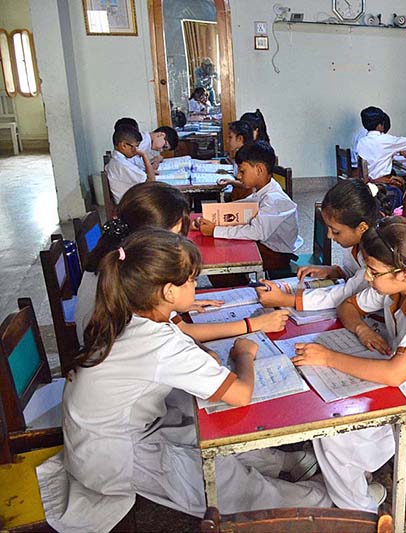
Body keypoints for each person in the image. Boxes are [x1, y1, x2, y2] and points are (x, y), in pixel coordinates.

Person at [36, 229, 330, 533]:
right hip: (111, 458)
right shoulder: (158, 342)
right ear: (168, 292)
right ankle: (325, 503)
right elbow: (241, 393)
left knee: (196, 419)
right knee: (224, 482)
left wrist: (208, 360)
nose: (195, 285)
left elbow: (188, 355)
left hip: (106, 434)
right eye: (191, 280)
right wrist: (243, 352)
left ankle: (278, 464)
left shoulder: (134, 312)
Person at [292, 217, 406, 512]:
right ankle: (353, 484)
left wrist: (329, 356)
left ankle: (361, 512)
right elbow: (347, 306)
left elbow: (396, 374)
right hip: (399, 367)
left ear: (405, 273)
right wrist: (362, 330)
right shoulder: (396, 286)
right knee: (324, 392)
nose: (368, 278)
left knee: (335, 434)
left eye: (373, 272)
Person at [74, 182, 289, 342]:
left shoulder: (119, 256)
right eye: (175, 235)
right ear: (149, 234)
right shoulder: (130, 276)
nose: (179, 243)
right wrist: (253, 324)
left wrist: (177, 305)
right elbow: (184, 331)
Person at [256, 179, 384, 311]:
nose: (329, 236)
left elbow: (347, 292)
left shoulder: (377, 255)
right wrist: (333, 271)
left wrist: (287, 300)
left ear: (362, 228)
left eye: (335, 231)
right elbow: (354, 275)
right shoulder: (358, 242)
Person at [197, 141, 302, 273]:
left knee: (220, 258)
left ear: (259, 170)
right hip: (264, 245)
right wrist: (207, 218)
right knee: (222, 245)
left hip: (276, 254)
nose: (238, 176)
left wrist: (215, 230)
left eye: (242, 171)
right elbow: (239, 207)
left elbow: (256, 232)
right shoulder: (262, 190)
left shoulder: (274, 199)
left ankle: (239, 288)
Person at [356, 107, 406, 188]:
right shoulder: (386, 140)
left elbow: (377, 153)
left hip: (367, 185)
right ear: (380, 125)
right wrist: (398, 148)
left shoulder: (361, 141)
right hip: (382, 185)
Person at [105, 124, 155, 203]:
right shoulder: (121, 164)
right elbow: (151, 182)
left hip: (130, 200)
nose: (136, 150)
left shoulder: (118, 160)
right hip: (130, 206)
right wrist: (144, 155)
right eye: (135, 146)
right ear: (124, 145)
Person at [220, 120, 255, 201]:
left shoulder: (248, 156)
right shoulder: (239, 153)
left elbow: (247, 184)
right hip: (238, 196)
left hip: (246, 199)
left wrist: (231, 182)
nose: (227, 141)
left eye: (230, 137)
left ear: (240, 138)